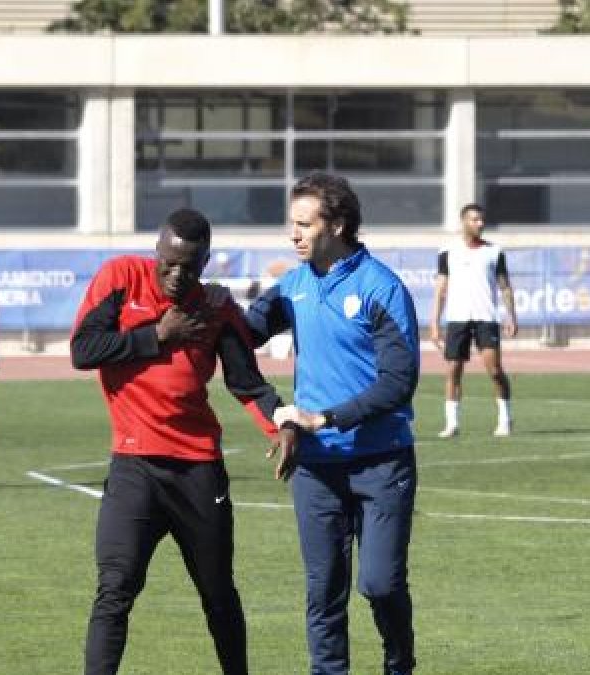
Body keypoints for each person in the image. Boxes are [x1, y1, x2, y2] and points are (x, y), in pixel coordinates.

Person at [71, 208, 294, 675]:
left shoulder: (216, 308)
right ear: (156, 251)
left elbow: (247, 383)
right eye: (168, 263)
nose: (176, 275)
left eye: (189, 267)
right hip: (134, 466)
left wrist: (281, 425)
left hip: (197, 470)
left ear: (206, 261)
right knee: (115, 588)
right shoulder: (120, 277)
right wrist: (157, 334)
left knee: (217, 592)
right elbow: (84, 350)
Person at [251, 173, 420, 675]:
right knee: (323, 590)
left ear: (338, 225)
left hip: (382, 462)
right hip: (315, 468)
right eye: (292, 224)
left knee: (381, 585)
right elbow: (240, 335)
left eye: (305, 224)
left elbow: (398, 383)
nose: (294, 234)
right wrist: (274, 410)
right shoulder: (291, 286)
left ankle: (399, 663)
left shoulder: (381, 287)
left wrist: (324, 417)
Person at [429, 203, 517, 438]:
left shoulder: (494, 252)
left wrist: (511, 316)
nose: (480, 224)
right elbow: (440, 289)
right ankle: (452, 423)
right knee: (453, 370)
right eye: (475, 220)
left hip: (486, 317)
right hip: (457, 318)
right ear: (464, 222)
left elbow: (505, 286)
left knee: (495, 371)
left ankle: (505, 418)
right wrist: (435, 324)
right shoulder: (447, 251)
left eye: (481, 220)